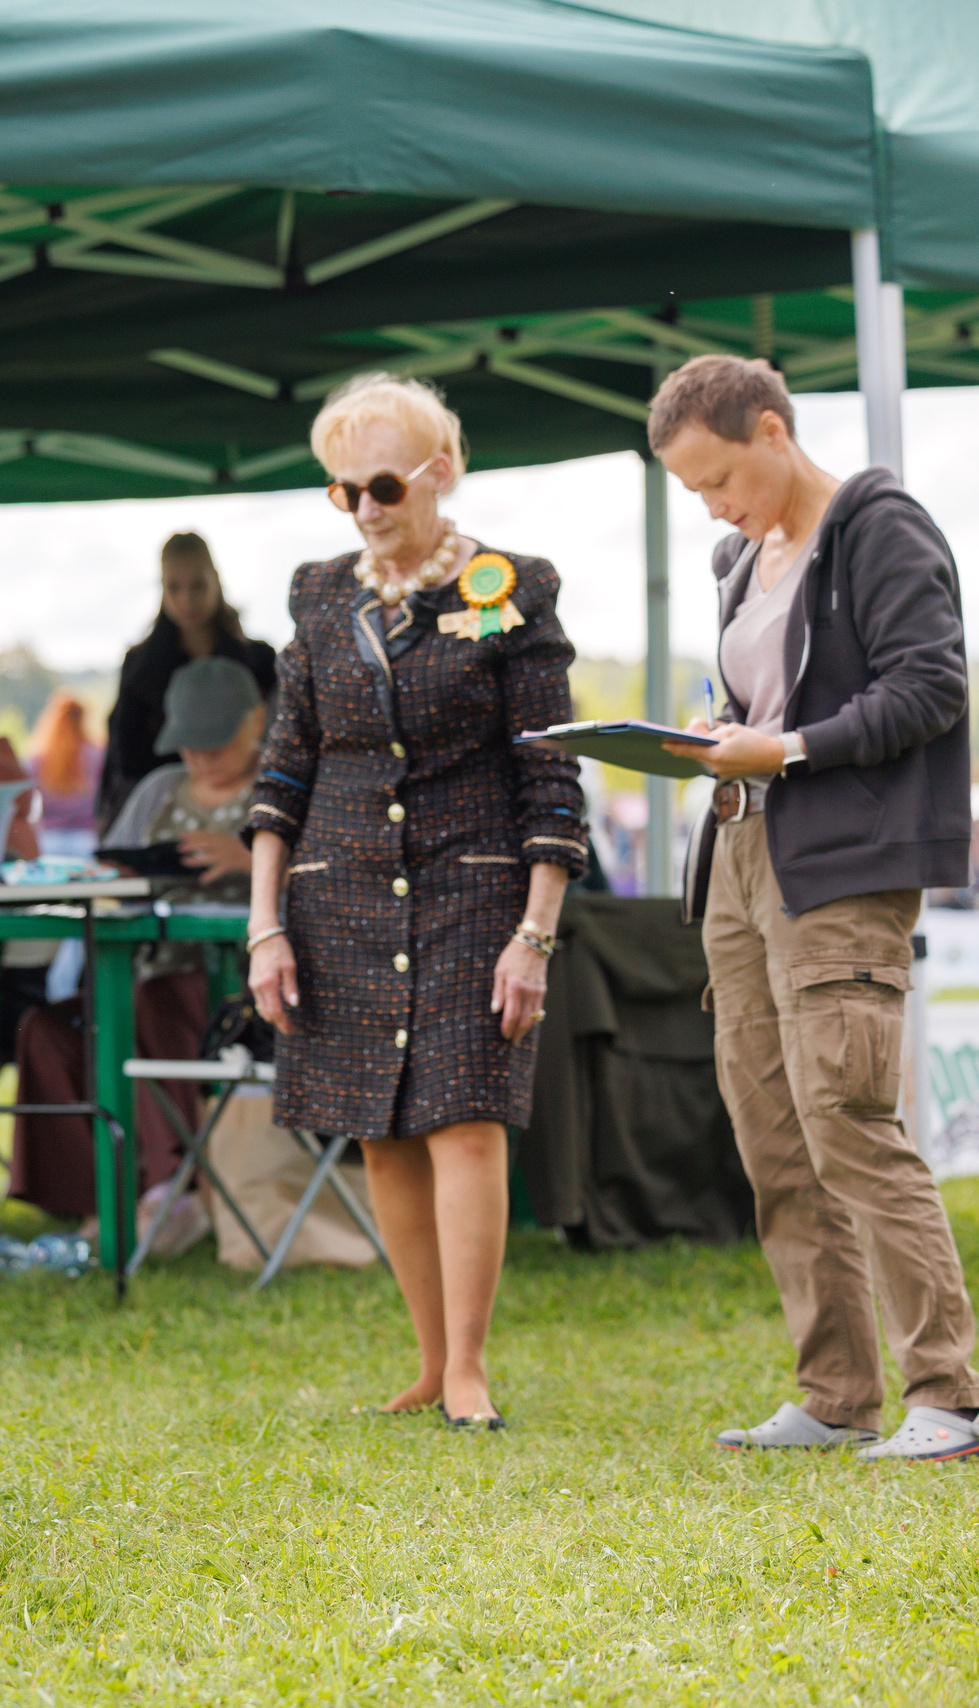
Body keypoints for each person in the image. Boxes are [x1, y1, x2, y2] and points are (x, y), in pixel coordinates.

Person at [652, 354, 979, 1463]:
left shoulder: (879, 525)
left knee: (848, 1122)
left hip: (841, 864)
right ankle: (835, 1391)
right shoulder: (735, 556)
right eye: (693, 493)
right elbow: (763, 696)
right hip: (742, 851)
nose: (712, 507)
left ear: (771, 430)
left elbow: (929, 687)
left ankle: (951, 1398)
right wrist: (718, 740)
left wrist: (788, 746)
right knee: (770, 1134)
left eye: (718, 478)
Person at [244, 373, 587, 1430]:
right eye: (340, 490)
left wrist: (535, 932)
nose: (362, 507)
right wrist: (264, 923)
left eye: (381, 483)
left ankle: (474, 1366)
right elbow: (281, 771)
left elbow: (551, 779)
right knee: (380, 1131)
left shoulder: (513, 588)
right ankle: (431, 1362)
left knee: (465, 1121)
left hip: (474, 892)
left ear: (441, 471)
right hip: (335, 893)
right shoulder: (316, 595)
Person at [10, 658, 266, 1226]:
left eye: (214, 743)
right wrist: (119, 875)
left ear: (257, 722)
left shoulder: (279, 789)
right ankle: (90, 1198)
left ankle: (176, 1184)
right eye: (189, 743)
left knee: (155, 1006)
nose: (198, 756)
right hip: (140, 971)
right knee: (48, 1030)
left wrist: (249, 862)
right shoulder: (158, 790)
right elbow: (110, 877)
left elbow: (328, 885)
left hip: (241, 986)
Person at [97, 532, 279, 831]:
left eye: (198, 585)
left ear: (216, 582)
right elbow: (123, 758)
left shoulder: (258, 660)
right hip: (163, 814)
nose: (187, 600)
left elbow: (278, 739)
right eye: (174, 588)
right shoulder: (140, 667)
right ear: (162, 590)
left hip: (248, 808)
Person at [25, 689, 104, 859]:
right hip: (87, 839)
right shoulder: (98, 754)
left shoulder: (38, 760)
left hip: (49, 841)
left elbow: (25, 804)